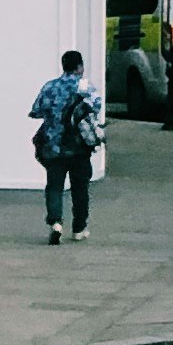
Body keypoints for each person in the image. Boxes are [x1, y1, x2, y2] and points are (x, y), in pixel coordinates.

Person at [31, 49, 104, 242]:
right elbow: (96, 108)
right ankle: (79, 228)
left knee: (54, 186)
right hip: (79, 147)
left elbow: (36, 110)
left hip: (53, 146)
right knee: (80, 187)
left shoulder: (50, 87)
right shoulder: (85, 87)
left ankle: (56, 222)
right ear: (80, 66)